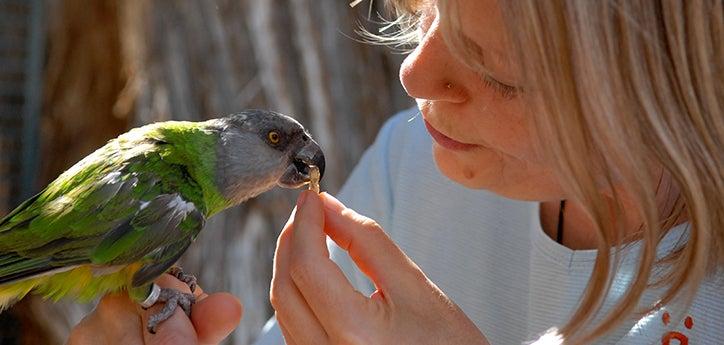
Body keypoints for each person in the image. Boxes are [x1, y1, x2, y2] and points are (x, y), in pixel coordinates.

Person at [69, 0, 722, 344]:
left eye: (492, 67)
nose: (414, 75)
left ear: (655, 82)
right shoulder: (415, 162)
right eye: (430, 10)